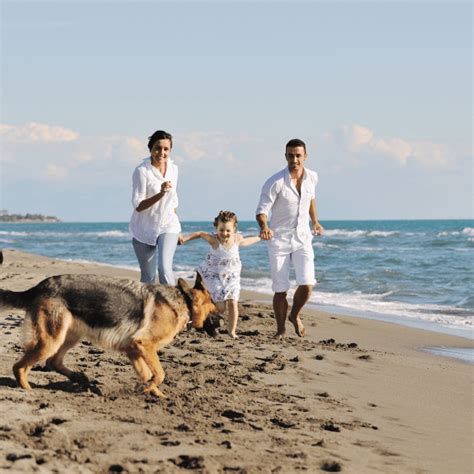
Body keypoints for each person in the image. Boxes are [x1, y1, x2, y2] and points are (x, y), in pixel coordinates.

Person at [256, 138, 324, 338]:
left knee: (307, 284)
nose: (294, 159)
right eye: (291, 155)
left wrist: (316, 222)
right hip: (279, 240)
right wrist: (264, 226)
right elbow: (261, 211)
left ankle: (294, 315)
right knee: (281, 289)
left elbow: (311, 199)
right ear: (285, 156)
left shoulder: (312, 177)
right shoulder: (274, 182)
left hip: (303, 237)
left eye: (298, 155)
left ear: (305, 156)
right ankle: (281, 329)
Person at [181, 211, 260, 339]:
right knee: (220, 308)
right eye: (221, 230)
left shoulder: (237, 238)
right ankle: (201, 317)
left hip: (232, 277)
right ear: (216, 228)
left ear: (234, 229)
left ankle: (232, 331)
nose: (224, 233)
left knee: (233, 301)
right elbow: (200, 234)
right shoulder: (214, 240)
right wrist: (185, 239)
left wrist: (261, 237)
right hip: (215, 276)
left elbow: (247, 241)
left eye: (228, 230)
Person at [129, 130, 181, 284]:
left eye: (166, 149)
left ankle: (174, 307)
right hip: (144, 228)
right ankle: (149, 308)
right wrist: (160, 193)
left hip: (168, 224)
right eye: (158, 148)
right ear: (150, 149)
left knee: (165, 269)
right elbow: (138, 205)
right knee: (148, 278)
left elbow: (173, 201)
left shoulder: (174, 169)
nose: (161, 152)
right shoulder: (142, 171)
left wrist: (178, 229)